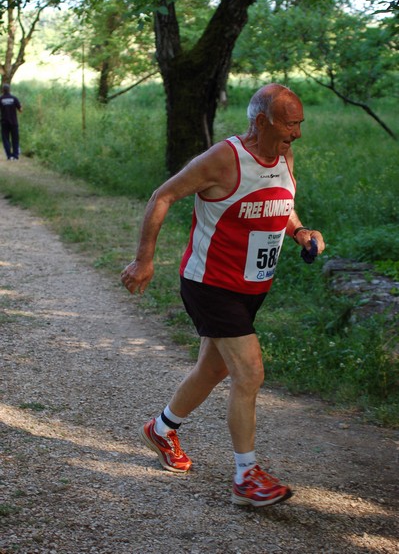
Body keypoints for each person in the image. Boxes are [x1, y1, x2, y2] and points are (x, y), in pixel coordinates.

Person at [121, 83, 325, 508]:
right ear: (263, 120)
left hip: (252, 286)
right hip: (211, 284)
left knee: (212, 370)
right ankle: (246, 477)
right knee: (249, 373)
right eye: (291, 124)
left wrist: (300, 231)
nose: (298, 133)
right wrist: (144, 259)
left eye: (300, 124)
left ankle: (160, 430)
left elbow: (280, 204)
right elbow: (164, 195)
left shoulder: (284, 155)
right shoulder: (222, 159)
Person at [0, 83, 22, 160]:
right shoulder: (14, 98)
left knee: (5, 139)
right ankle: (15, 156)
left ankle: (9, 156)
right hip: (14, 122)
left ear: (2, 90)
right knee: (15, 139)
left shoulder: (1, 99)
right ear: (9, 90)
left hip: (4, 122)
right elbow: (20, 110)